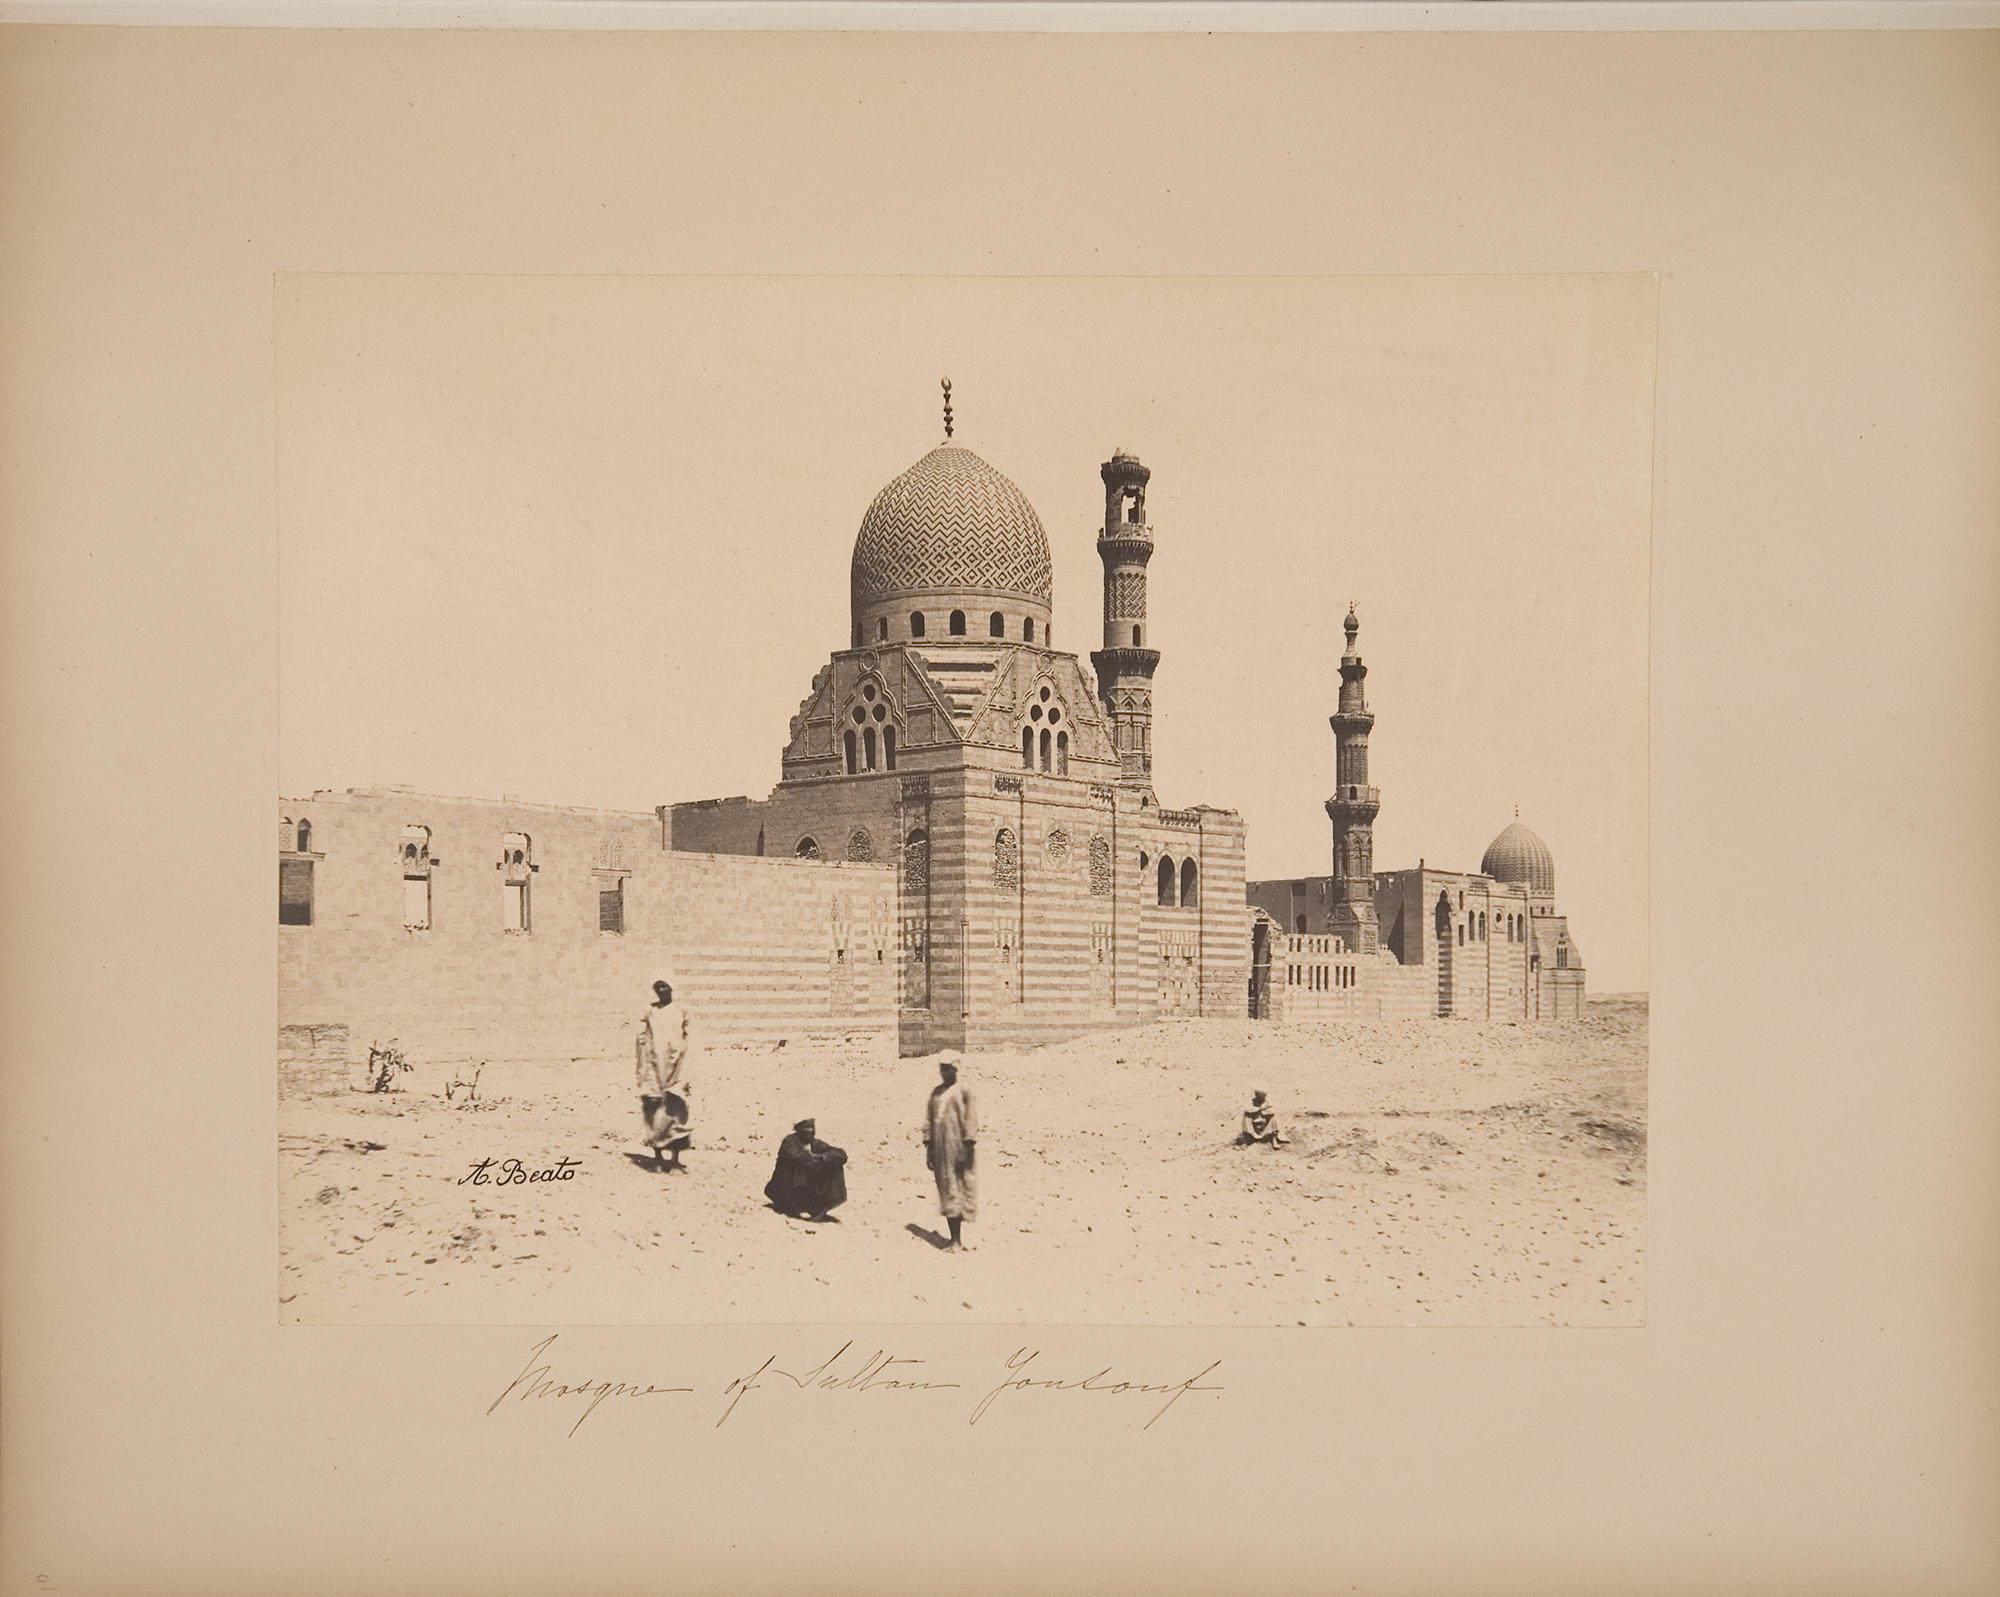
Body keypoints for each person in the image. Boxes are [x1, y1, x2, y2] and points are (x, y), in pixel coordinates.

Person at [636, 977, 694, 1171]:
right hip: (654, 1069)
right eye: (658, 987)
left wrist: (685, 1066)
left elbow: (691, 1039)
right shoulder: (649, 1011)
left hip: (676, 1068)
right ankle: (658, 1157)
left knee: (676, 1110)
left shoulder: (682, 1011)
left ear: (672, 988)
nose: (662, 991)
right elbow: (641, 1038)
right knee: (654, 1109)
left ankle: (675, 1158)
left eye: (665, 986)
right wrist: (644, 1065)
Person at [924, 1055, 979, 1251]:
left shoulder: (964, 1091)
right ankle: (953, 1238)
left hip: (959, 1148)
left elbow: (971, 1120)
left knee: (958, 1190)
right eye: (942, 1068)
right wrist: (929, 1149)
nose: (944, 1072)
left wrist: (966, 1148)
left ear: (955, 1070)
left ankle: (957, 1239)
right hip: (940, 1149)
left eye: (948, 1068)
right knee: (946, 1190)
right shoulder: (937, 1092)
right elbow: (930, 1120)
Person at [764, 1118, 848, 1222]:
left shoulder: (815, 1143)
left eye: (811, 1127)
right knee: (799, 1167)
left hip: (806, 1188)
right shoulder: (789, 1141)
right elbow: (800, 1158)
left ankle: (820, 1207)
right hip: (785, 1188)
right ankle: (795, 1206)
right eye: (806, 1127)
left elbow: (841, 1154)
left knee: (834, 1164)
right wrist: (817, 1162)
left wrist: (822, 1157)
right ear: (798, 1129)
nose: (809, 1130)